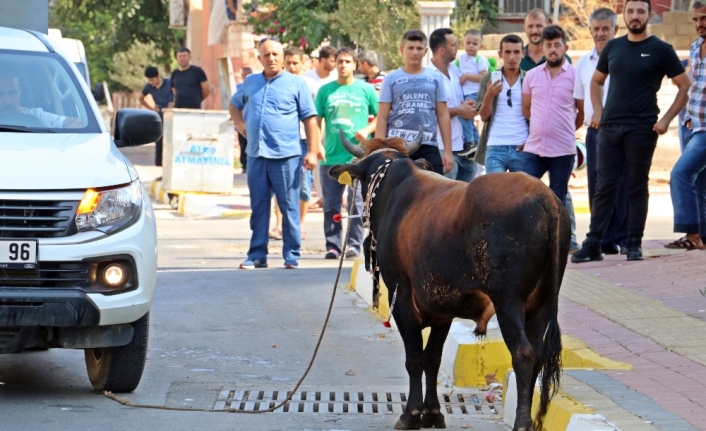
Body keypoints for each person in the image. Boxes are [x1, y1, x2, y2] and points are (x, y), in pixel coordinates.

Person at [572, 0, 690, 263]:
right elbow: (596, 81)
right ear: (623, 15)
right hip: (610, 129)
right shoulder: (614, 47)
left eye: (640, 11)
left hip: (642, 129)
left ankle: (633, 244)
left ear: (649, 15)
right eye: (630, 11)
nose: (635, 16)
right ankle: (594, 244)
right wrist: (599, 112)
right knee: (604, 188)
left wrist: (666, 120)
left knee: (636, 188)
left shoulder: (661, 49)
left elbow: (684, 86)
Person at [229, 38, 320, 270]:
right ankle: (257, 255)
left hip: (286, 156)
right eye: (266, 55)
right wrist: (240, 125)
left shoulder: (297, 84)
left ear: (282, 56)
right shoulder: (250, 82)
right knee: (259, 207)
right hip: (256, 155)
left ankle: (291, 254)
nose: (271, 58)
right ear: (259, 59)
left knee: (289, 206)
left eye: (275, 54)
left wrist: (311, 151)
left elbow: (309, 118)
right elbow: (233, 104)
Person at [573, 8, 628, 255]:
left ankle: (623, 237)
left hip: (623, 130)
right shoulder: (584, 62)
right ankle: (602, 238)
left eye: (605, 28)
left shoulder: (627, 58)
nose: (600, 33)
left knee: (624, 184)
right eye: (596, 29)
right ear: (590, 31)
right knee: (597, 186)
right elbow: (578, 101)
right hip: (595, 132)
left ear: (616, 30)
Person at [316, 47, 378, 259]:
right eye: (339, 61)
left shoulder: (366, 89)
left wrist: (368, 130)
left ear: (354, 64)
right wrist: (317, 144)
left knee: (356, 203)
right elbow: (316, 120)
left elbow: (381, 116)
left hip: (358, 158)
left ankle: (353, 245)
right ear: (334, 63)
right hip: (330, 158)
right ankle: (332, 246)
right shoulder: (325, 91)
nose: (343, 65)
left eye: (347, 61)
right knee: (330, 204)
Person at [521, 25, 583, 207]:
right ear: (542, 49)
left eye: (557, 45)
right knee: (524, 195)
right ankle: (529, 236)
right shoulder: (531, 76)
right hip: (535, 150)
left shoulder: (575, 76)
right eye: (548, 45)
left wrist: (566, 129)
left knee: (558, 201)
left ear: (565, 48)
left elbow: (582, 112)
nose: (553, 49)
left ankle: (558, 236)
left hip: (563, 151)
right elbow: (526, 109)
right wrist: (540, 127)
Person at [376, 29, 454, 175]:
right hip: (397, 146)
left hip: (428, 145)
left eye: (419, 48)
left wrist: (448, 151)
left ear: (425, 51)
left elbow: (443, 115)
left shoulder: (436, 78)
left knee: (436, 192)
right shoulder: (391, 79)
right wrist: (380, 150)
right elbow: (382, 117)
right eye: (410, 48)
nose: (415, 52)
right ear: (402, 50)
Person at [664, 1, 706, 251]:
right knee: (699, 183)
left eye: (704, 18)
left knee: (680, 175)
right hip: (690, 125)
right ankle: (702, 236)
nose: (699, 24)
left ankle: (691, 234)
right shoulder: (695, 46)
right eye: (695, 19)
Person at [280, 47, 320, 241]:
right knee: (280, 185)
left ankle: (300, 225)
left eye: (295, 63)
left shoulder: (310, 85)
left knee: (303, 185)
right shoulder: (277, 83)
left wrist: (316, 146)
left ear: (303, 64)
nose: (292, 67)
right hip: (282, 141)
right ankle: (280, 225)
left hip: (304, 141)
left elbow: (316, 118)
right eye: (288, 63)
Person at [427, 28, 478, 182]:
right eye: (454, 45)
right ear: (442, 50)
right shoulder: (427, 76)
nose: (457, 48)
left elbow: (462, 100)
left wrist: (470, 105)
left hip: (465, 147)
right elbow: (429, 113)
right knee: (444, 200)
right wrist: (459, 110)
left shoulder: (456, 70)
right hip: (442, 148)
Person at [475, 34, 528, 174]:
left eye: (516, 52)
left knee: (522, 194)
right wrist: (489, 95)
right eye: (508, 52)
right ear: (500, 54)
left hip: (522, 146)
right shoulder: (489, 78)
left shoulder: (529, 79)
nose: (512, 57)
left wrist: (532, 140)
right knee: (495, 194)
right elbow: (484, 117)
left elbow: (538, 114)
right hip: (495, 146)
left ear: (523, 53)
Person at [304, 45, 337, 210]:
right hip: (315, 124)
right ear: (322, 60)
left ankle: (339, 195)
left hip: (334, 125)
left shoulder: (337, 77)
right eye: (332, 60)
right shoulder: (308, 78)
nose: (336, 64)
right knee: (317, 160)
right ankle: (323, 196)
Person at [0, 70, 81, 128]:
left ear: (19, 92)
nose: (7, 100)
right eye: (1, 94)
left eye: (12, 93)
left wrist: (56, 137)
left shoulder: (36, 116)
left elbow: (79, 122)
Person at [457, 29, 489, 158]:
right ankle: (477, 144)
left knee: (464, 115)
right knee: (468, 118)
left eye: (474, 44)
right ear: (462, 44)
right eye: (468, 42)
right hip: (465, 93)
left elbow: (484, 77)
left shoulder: (480, 59)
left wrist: (467, 76)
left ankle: (469, 143)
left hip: (475, 93)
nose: (471, 46)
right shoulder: (461, 58)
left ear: (480, 46)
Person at [139, 66, 173, 167]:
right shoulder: (149, 87)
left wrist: (173, 103)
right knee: (159, 142)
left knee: (170, 141)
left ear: (158, 76)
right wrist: (151, 108)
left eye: (152, 80)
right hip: (160, 117)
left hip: (171, 116)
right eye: (149, 80)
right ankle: (159, 165)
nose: (151, 82)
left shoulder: (169, 83)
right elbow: (141, 98)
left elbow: (177, 94)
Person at [236, 67, 252, 174]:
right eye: (244, 75)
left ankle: (251, 164)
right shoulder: (237, 88)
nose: (246, 77)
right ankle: (244, 165)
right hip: (242, 122)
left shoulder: (256, 87)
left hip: (252, 122)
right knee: (243, 144)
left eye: (248, 75)